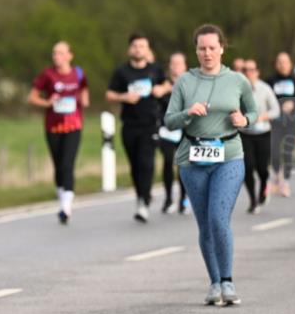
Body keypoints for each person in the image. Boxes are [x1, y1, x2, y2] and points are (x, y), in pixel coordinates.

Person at [163, 24, 256, 306]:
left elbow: (252, 110)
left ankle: (227, 281)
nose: (207, 53)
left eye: (212, 48)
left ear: (222, 49)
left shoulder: (238, 80)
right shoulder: (185, 82)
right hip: (193, 158)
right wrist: (187, 113)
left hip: (228, 154)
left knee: (218, 218)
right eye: (202, 48)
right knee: (205, 225)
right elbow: (169, 120)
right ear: (196, 50)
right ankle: (214, 282)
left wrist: (245, 120)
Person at [106, 33, 171, 222]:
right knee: (135, 166)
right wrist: (124, 97)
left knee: (147, 163)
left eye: (142, 46)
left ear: (147, 49)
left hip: (149, 124)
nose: (138, 49)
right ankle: (142, 196)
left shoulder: (154, 70)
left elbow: (167, 83)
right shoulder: (122, 72)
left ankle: (144, 200)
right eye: (135, 46)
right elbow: (109, 94)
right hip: (129, 125)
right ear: (129, 49)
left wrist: (162, 89)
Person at [28, 41, 90, 224]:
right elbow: (32, 97)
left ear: (70, 55)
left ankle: (66, 207)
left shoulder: (78, 73)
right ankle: (62, 196)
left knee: (67, 163)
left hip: (74, 126)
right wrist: (47, 103)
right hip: (53, 127)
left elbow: (84, 87)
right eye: (54, 53)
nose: (57, 56)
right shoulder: (48, 75)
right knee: (58, 164)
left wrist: (84, 100)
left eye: (61, 53)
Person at [240, 58, 280, 214]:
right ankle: (253, 201)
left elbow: (276, 110)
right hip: (245, 134)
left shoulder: (265, 88)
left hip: (263, 133)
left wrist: (261, 117)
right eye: (245, 70)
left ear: (257, 72)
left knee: (262, 168)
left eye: (251, 70)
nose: (248, 73)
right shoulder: (238, 89)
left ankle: (264, 184)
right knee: (247, 167)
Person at [157, 52, 189, 214]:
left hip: (185, 131)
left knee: (183, 165)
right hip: (167, 130)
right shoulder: (163, 84)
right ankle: (169, 198)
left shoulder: (190, 84)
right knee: (168, 162)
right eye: (173, 63)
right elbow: (156, 96)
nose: (176, 66)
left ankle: (184, 199)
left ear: (184, 66)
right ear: (169, 66)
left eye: (179, 63)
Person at [267, 52, 295, 197]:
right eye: (280, 62)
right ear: (276, 64)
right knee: (274, 151)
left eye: (285, 62)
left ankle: (285, 182)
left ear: (290, 64)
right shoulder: (269, 81)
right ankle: (276, 175)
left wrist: (293, 103)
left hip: (291, 122)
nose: (283, 65)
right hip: (275, 122)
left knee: (288, 151)